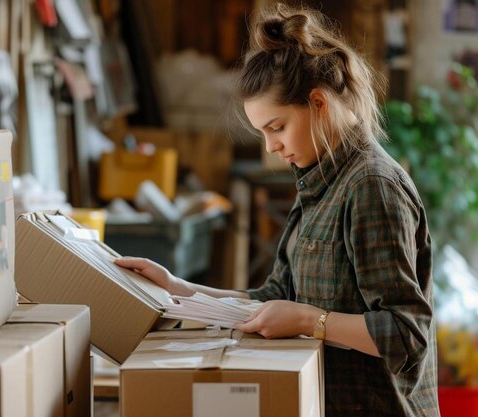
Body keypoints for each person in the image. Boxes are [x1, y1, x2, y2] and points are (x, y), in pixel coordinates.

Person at [115, 3, 439, 416]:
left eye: (277, 127)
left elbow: (405, 335)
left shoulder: (371, 187)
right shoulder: (319, 182)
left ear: (319, 104)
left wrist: (309, 321)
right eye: (263, 133)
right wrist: (180, 290)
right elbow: (274, 298)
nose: (270, 146)